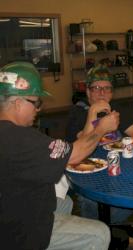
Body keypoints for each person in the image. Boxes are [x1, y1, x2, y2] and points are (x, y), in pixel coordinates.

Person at [0, 62, 119, 249]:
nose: (38, 110)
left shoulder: (11, 134)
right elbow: (74, 154)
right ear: (17, 103)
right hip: (19, 230)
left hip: (12, 205)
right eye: (36, 103)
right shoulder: (22, 139)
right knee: (100, 233)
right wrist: (101, 128)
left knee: (65, 202)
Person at [66, 65, 133, 221]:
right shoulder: (78, 112)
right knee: (98, 213)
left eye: (107, 88)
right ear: (88, 92)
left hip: (117, 170)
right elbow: (82, 145)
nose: (102, 93)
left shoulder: (115, 110)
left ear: (112, 93)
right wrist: (93, 112)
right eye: (96, 88)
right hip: (89, 177)